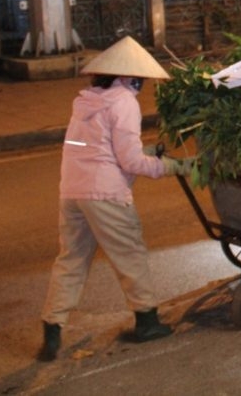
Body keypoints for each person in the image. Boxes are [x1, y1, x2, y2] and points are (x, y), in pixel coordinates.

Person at [38, 36, 191, 362]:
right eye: (141, 81)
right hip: (106, 194)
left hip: (73, 192)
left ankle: (52, 326)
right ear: (129, 77)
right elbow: (131, 162)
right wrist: (170, 166)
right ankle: (147, 322)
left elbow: (94, 148)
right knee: (131, 256)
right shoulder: (124, 103)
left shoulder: (86, 102)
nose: (142, 86)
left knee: (71, 260)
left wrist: (148, 153)